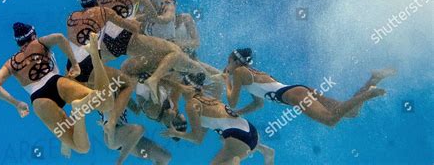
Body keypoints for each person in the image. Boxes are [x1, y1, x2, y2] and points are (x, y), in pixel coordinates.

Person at [0, 23, 114, 153]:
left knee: (82, 148)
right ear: (33, 35)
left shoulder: (10, 63)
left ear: (18, 44)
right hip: (56, 82)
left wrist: (17, 103)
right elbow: (59, 37)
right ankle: (94, 56)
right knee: (106, 104)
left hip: (39, 100)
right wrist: (75, 64)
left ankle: (78, 110)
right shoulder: (38, 43)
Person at [223, 48, 390, 126]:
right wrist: (240, 113)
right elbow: (258, 104)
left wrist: (226, 80)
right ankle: (373, 80)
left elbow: (232, 101)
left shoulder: (239, 72)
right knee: (351, 112)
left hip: (295, 95)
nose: (226, 66)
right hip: (298, 90)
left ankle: (368, 94)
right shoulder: (248, 75)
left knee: (330, 119)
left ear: (236, 62)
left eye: (228, 62)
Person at [161, 73, 275, 165]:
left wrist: (175, 133)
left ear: (187, 88)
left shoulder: (191, 105)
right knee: (222, 138)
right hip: (251, 131)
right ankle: (265, 151)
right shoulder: (210, 97)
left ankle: (233, 161)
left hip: (239, 138)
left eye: (181, 88)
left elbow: (197, 138)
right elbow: (204, 130)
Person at [100, 110, 172, 165]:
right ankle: (120, 161)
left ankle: (120, 159)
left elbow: (136, 109)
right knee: (139, 129)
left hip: (125, 136)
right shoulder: (107, 97)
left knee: (165, 157)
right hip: (114, 136)